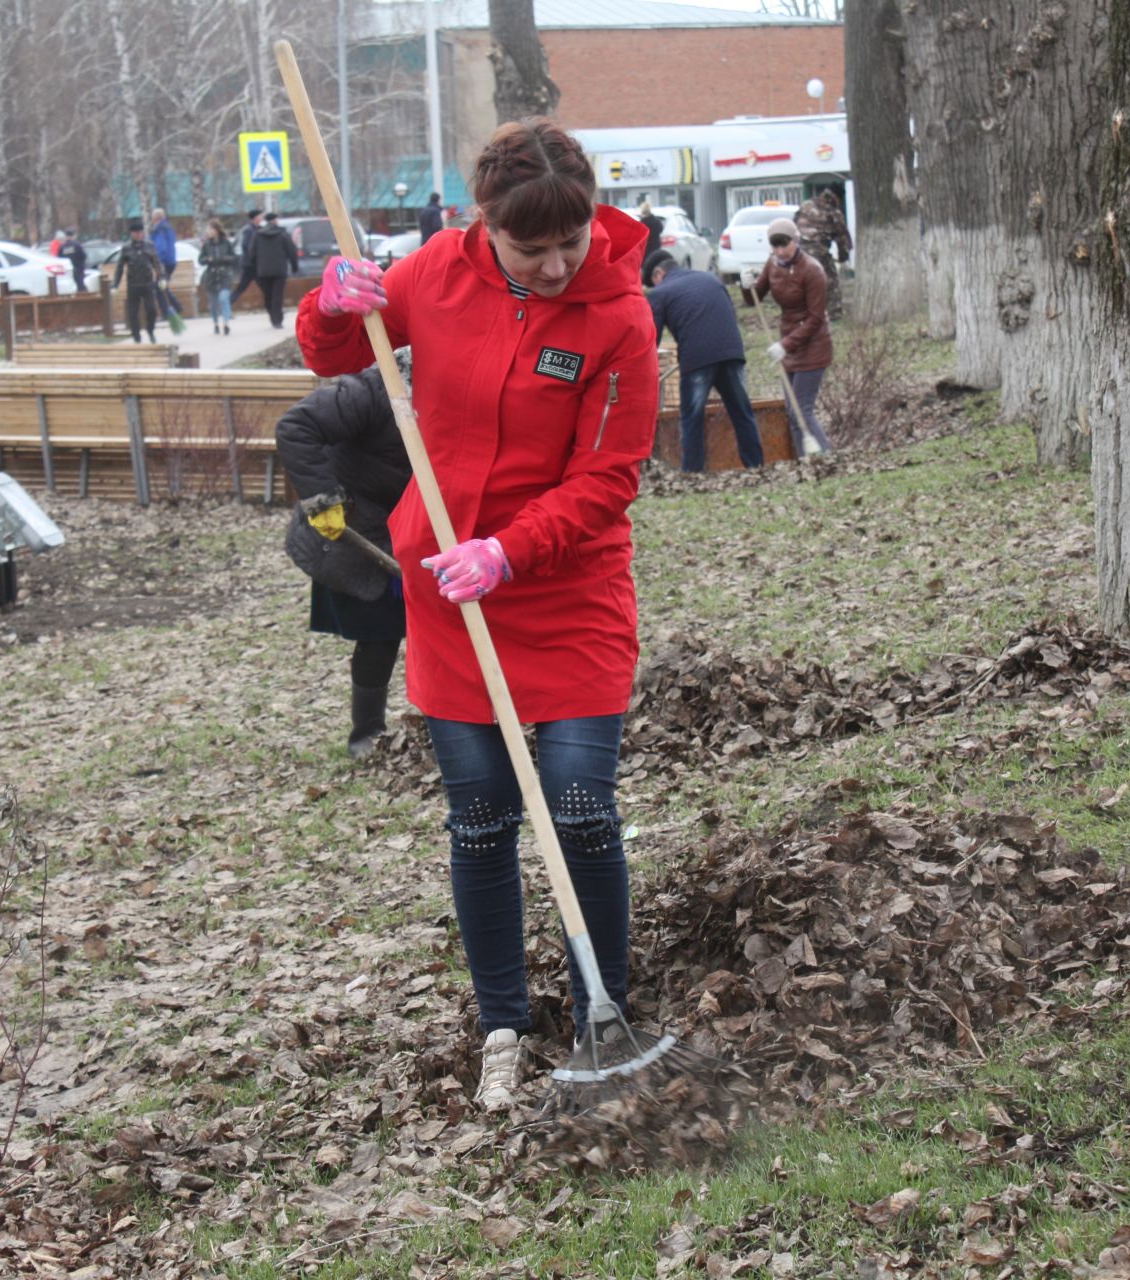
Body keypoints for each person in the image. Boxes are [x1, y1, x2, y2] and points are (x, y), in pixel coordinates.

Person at [297, 117, 659, 1114]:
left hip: (566, 584)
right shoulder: (434, 276)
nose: (552, 264)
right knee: (483, 814)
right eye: (527, 246)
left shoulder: (621, 317)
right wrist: (332, 303)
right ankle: (503, 1018)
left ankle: (602, 1009)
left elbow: (611, 474)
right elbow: (334, 348)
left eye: (568, 242)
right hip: (451, 594)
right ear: (483, 222)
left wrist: (511, 549)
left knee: (581, 802)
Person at [275, 361, 414, 756]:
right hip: (358, 531)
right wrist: (322, 498)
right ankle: (366, 734)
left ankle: (457, 728)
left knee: (447, 633)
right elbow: (295, 427)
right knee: (378, 634)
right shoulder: (374, 388)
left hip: (422, 527)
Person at [643, 250, 764, 472]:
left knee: (692, 417)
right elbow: (729, 315)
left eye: (652, 280)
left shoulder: (661, 293)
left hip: (697, 359)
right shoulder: (711, 279)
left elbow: (652, 338)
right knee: (742, 412)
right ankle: (755, 466)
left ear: (659, 273)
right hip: (731, 352)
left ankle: (693, 473)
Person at [751, 217, 833, 455]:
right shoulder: (772, 264)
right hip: (788, 343)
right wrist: (748, 286)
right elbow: (754, 297)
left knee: (802, 409)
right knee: (791, 409)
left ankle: (825, 458)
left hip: (814, 345)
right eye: (774, 246)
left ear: (795, 241)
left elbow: (816, 318)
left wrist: (785, 345)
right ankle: (805, 460)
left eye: (784, 244)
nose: (779, 251)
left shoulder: (812, 270)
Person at [795, 188, 852, 322]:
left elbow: (794, 223)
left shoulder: (806, 205)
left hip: (799, 250)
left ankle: (803, 313)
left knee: (802, 283)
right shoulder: (833, 211)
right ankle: (834, 314)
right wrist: (844, 257)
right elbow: (842, 237)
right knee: (830, 282)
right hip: (818, 250)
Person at [112, 219, 164, 343]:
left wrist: (161, 277)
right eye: (136, 233)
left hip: (147, 284)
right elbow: (120, 267)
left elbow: (157, 263)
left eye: (140, 232)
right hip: (133, 285)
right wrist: (115, 285)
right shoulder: (126, 248)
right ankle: (136, 336)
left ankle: (150, 330)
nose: (139, 235)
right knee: (133, 313)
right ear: (132, 234)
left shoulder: (149, 246)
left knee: (151, 310)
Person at [246, 211, 299, 329]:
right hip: (279, 270)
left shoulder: (258, 235)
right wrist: (294, 266)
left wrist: (256, 267)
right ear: (275, 220)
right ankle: (277, 320)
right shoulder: (282, 234)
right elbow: (291, 251)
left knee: (268, 294)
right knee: (277, 295)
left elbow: (252, 253)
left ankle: (272, 316)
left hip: (263, 270)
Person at [199, 219, 238, 335]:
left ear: (216, 230)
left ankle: (226, 323)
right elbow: (200, 259)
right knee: (214, 302)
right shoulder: (206, 245)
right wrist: (207, 259)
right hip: (211, 276)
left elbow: (233, 257)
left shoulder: (226, 243)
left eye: (210, 229)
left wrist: (226, 258)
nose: (208, 231)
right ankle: (215, 323)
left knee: (223, 298)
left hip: (224, 275)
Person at [148, 207, 181, 317]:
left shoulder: (159, 229)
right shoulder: (168, 227)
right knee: (162, 286)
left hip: (164, 262)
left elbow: (161, 248)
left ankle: (167, 312)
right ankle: (176, 307)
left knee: (159, 288)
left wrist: (157, 262)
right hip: (170, 261)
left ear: (155, 218)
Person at [231, 208, 265, 309]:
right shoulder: (249, 230)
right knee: (242, 287)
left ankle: (273, 309)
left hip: (256, 265)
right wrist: (254, 257)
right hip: (249, 265)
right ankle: (227, 306)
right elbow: (246, 246)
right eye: (260, 216)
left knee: (264, 288)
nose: (262, 218)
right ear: (256, 218)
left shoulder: (259, 229)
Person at [57, 230, 89, 294]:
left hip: (67, 271)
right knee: (80, 288)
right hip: (78, 270)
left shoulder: (62, 247)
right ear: (73, 236)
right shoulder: (77, 245)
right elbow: (84, 256)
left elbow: (59, 259)